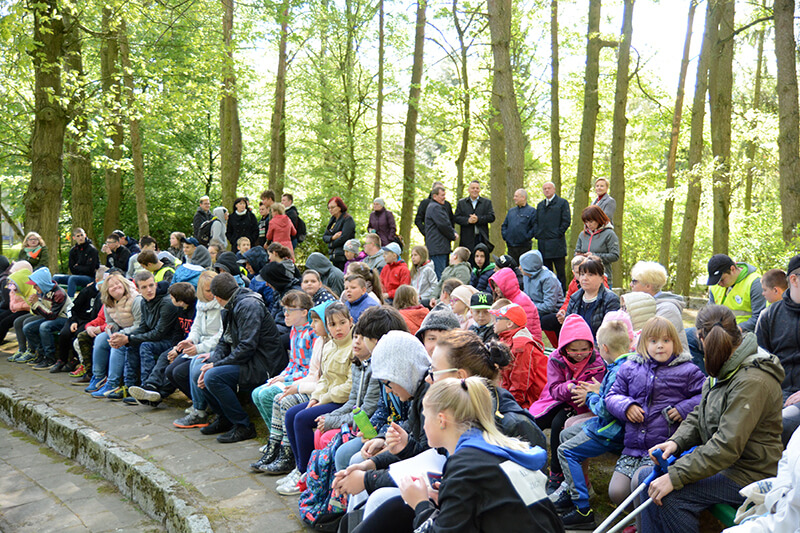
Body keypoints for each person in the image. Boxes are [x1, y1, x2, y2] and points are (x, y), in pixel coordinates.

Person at [641, 305, 784, 533]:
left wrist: (676, 476)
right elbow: (701, 413)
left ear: (700, 337)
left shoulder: (752, 380)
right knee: (646, 479)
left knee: (671, 497)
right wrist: (676, 442)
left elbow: (726, 446)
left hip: (749, 472)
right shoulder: (726, 362)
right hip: (726, 464)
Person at [396, 377, 562, 533]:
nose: (423, 425)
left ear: (441, 420)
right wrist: (451, 497)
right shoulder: (496, 449)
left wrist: (420, 504)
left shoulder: (465, 466)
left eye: (425, 416)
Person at [604, 317, 705, 525]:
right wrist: (627, 406)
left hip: (662, 448)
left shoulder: (687, 370)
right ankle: (637, 522)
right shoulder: (630, 367)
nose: (660, 345)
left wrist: (683, 408)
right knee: (616, 491)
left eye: (666, 340)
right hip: (633, 447)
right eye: (653, 341)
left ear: (675, 343)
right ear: (643, 344)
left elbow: (706, 395)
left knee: (639, 485)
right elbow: (612, 395)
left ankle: (644, 527)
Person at [555, 318, 633, 528]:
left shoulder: (618, 371)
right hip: (610, 426)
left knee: (565, 450)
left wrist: (590, 396)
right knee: (566, 434)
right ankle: (574, 490)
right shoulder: (625, 363)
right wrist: (598, 391)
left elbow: (606, 410)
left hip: (612, 431)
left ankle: (583, 509)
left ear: (604, 348)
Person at [195, 272, 288, 443]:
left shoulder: (248, 305)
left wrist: (216, 366)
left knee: (212, 377)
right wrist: (213, 361)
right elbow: (224, 340)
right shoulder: (231, 306)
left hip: (264, 364)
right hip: (249, 360)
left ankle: (244, 426)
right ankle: (224, 419)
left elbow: (247, 347)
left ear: (217, 297)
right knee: (200, 369)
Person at [530, 314, 607, 493]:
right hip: (557, 399)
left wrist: (586, 394)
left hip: (582, 406)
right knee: (534, 420)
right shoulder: (556, 359)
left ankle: (556, 474)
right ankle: (528, 461)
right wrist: (569, 387)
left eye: (584, 349)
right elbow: (554, 388)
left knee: (559, 425)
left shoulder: (597, 362)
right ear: (564, 348)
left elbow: (597, 388)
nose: (579, 354)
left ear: (591, 346)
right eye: (574, 350)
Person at [281, 302, 353, 487]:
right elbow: (324, 379)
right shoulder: (329, 347)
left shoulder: (353, 346)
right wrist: (315, 398)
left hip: (342, 402)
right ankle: (299, 468)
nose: (338, 329)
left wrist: (324, 398)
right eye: (332, 324)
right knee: (291, 414)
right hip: (325, 397)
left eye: (342, 323)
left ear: (350, 322)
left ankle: (306, 473)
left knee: (301, 419)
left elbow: (350, 386)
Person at [259, 300, 331, 477]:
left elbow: (325, 382)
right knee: (279, 398)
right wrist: (295, 384)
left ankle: (293, 459)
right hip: (315, 388)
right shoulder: (320, 342)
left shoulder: (329, 344)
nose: (312, 325)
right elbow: (313, 373)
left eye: (315, 321)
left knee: (289, 406)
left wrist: (297, 387)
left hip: (324, 394)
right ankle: (277, 447)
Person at [249, 290, 316, 470]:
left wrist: (288, 378)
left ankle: (285, 448)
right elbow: (293, 362)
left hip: (303, 380)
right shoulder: (294, 330)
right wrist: (282, 375)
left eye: (290, 310)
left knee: (269, 395)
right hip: (293, 375)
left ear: (304, 312)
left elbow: (310, 369)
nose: (285, 314)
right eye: (284, 309)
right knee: (257, 393)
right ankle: (275, 440)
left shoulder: (312, 334)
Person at [106, 271, 181, 403]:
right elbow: (143, 327)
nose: (149, 290)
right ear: (138, 289)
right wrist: (124, 336)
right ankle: (129, 387)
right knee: (131, 344)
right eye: (144, 287)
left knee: (145, 346)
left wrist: (128, 339)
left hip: (170, 342)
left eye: (151, 285)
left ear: (156, 284)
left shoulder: (166, 303)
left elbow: (159, 333)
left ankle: (146, 389)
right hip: (157, 338)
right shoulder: (144, 302)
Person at [685, 254, 765, 374]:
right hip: (716, 330)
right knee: (688, 337)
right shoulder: (715, 287)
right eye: (716, 281)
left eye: (722, 280)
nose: (719, 284)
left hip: (741, 335)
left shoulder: (755, 283)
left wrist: (737, 329)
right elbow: (708, 312)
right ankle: (703, 380)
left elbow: (759, 318)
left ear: (733, 269)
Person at [167, 271, 223, 428]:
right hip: (200, 346)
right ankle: (201, 402)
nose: (212, 294)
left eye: (213, 290)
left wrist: (198, 348)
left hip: (214, 348)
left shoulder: (221, 306)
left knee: (186, 370)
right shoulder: (201, 304)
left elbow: (221, 336)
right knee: (171, 371)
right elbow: (196, 327)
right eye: (208, 291)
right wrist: (189, 340)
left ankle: (201, 411)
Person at [128, 282, 197, 406]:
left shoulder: (195, 311)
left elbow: (195, 336)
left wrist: (178, 350)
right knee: (165, 357)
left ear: (180, 300)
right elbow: (178, 332)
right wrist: (175, 348)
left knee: (171, 366)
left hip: (193, 348)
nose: (170, 299)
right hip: (180, 346)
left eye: (172, 297)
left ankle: (156, 394)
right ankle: (150, 387)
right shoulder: (180, 310)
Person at [756, 254, 800, 445]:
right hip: (774, 394)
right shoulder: (769, 316)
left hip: (796, 402)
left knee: (778, 426)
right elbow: (758, 364)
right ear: (794, 279)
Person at [86, 274, 141, 395]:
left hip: (136, 333)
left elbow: (140, 325)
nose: (115, 287)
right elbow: (110, 322)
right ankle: (99, 376)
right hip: (121, 331)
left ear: (123, 284)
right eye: (111, 286)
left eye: (118, 283)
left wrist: (120, 334)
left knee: (117, 344)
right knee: (101, 339)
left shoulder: (135, 299)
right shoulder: (108, 303)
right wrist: (112, 330)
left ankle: (113, 383)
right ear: (107, 290)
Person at [490, 303, 547, 410]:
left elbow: (520, 384)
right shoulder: (505, 339)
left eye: (497, 319)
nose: (493, 323)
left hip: (532, 401)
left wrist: (506, 405)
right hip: (511, 396)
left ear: (509, 324)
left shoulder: (522, 345)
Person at [629, 261, 689, 351]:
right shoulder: (644, 305)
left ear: (648, 286)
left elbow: (654, 344)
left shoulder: (668, 310)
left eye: (634, 282)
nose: (631, 285)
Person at [21, 267, 72, 370]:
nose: (34, 288)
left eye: (35, 285)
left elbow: (52, 315)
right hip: (52, 318)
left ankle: (50, 358)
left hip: (64, 319)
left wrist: (37, 303)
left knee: (44, 327)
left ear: (42, 283)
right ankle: (41, 354)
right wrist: (34, 304)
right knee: (28, 328)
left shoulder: (59, 294)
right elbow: (39, 312)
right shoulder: (43, 291)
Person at [563, 258, 620, 339]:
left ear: (601, 278)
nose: (585, 278)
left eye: (590, 274)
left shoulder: (611, 299)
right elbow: (567, 328)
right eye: (582, 274)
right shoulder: (574, 299)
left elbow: (611, 334)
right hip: (576, 347)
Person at [533, 181, 570, 291]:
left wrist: (558, 233)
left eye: (549, 188)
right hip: (543, 244)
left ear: (554, 189)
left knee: (560, 272)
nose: (547, 190)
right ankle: (548, 293)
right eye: (545, 188)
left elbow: (566, 221)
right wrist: (537, 233)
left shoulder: (562, 203)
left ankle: (562, 294)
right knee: (546, 272)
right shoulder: (540, 205)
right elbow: (536, 222)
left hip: (557, 244)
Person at [488, 267, 542, 342]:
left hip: (528, 341)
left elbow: (524, 327)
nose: (495, 290)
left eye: (497, 286)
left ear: (506, 284)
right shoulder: (506, 299)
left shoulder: (522, 301)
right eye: (494, 287)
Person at [574, 205, 620, 287]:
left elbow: (614, 255)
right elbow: (577, 252)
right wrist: (581, 256)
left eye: (591, 222)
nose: (588, 225)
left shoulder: (609, 234)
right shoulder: (582, 235)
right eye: (586, 222)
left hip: (603, 278)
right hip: (584, 279)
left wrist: (594, 256)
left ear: (598, 219)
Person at [53, 228, 99, 297]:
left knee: (73, 278)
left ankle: (69, 303)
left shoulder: (92, 250)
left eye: (82, 235)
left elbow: (91, 269)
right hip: (77, 276)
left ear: (85, 235)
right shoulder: (73, 250)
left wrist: (78, 267)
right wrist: (81, 267)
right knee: (56, 277)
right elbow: (72, 269)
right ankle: (52, 299)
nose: (80, 238)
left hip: (90, 278)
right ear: (74, 238)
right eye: (78, 236)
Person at [424, 185, 457, 279]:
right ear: (434, 196)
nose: (444, 197)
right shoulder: (435, 208)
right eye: (442, 195)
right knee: (440, 276)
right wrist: (453, 235)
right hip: (438, 248)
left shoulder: (433, 207)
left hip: (438, 247)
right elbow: (444, 225)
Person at [453, 180, 495, 254]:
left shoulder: (486, 203)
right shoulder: (462, 203)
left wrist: (478, 219)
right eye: (473, 188)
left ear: (479, 190)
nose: (475, 190)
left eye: (477, 188)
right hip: (466, 238)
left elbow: (491, 217)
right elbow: (456, 218)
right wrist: (468, 220)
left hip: (482, 237)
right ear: (469, 190)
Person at [520, 250, 564, 316]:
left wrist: (528, 305)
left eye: (522, 266)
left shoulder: (548, 279)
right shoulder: (527, 275)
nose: (519, 268)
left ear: (530, 267)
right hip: (533, 309)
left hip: (551, 313)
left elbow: (549, 306)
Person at [501, 188, 537, 264]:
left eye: (516, 196)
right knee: (512, 269)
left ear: (523, 197)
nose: (514, 198)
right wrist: (506, 236)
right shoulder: (511, 211)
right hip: (511, 247)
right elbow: (504, 225)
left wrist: (526, 237)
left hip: (524, 247)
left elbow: (535, 227)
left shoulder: (532, 211)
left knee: (523, 268)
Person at [323, 196, 356, 271]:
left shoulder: (348, 219)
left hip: (344, 256)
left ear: (340, 207)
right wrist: (332, 238)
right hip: (334, 256)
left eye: (332, 207)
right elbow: (325, 237)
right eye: (329, 208)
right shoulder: (333, 220)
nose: (330, 210)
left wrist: (331, 244)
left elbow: (344, 238)